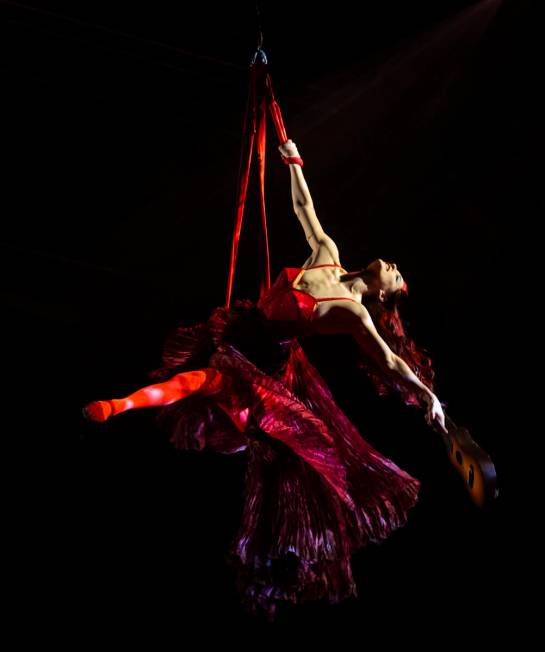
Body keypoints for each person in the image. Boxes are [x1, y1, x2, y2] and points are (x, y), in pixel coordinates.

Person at [83, 139, 447, 622]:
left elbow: (388, 362)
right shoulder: (329, 254)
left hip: (265, 364)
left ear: (384, 297)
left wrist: (427, 395)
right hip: (242, 329)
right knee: (203, 382)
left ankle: (120, 405)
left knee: (205, 383)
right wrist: (292, 159)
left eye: (397, 276)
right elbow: (304, 206)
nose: (393, 266)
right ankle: (155, 413)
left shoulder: (355, 314)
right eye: (398, 267)